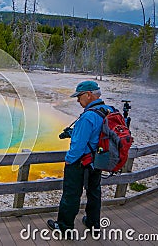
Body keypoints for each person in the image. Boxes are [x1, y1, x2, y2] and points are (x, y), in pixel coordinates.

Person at [47, 81, 113, 239]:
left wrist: (69, 160)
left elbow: (78, 146)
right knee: (94, 193)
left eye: (79, 96)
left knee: (71, 195)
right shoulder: (108, 110)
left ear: (89, 95)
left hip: (80, 163)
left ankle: (65, 228)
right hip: (98, 161)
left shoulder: (88, 116)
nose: (78, 100)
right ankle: (93, 224)